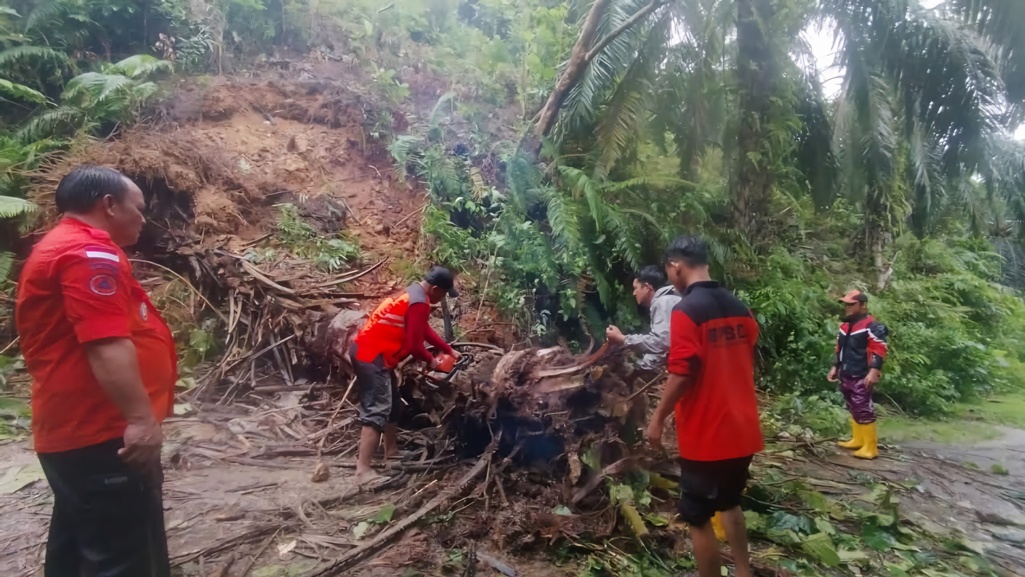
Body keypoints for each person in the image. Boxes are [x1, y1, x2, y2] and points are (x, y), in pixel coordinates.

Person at [16, 165, 176, 577]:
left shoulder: (64, 247)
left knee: (81, 547)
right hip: (103, 432)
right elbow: (105, 343)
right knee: (123, 559)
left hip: (77, 430)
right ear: (108, 204)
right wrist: (141, 419)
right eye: (138, 208)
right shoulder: (88, 254)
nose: (143, 218)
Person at [646, 236, 762, 577]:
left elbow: (683, 372)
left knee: (696, 515)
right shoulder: (740, 308)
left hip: (708, 434)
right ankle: (743, 572)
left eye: (669, 272)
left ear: (675, 266)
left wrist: (656, 418)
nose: (670, 279)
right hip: (743, 430)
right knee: (729, 501)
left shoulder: (687, 311)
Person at [351, 266, 460, 483]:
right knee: (377, 409)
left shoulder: (412, 294)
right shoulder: (419, 301)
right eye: (444, 293)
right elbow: (414, 344)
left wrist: (447, 349)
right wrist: (432, 361)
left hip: (371, 352)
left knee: (392, 405)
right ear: (436, 289)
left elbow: (423, 329)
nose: (444, 297)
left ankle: (391, 454)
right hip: (372, 355)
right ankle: (362, 471)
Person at [828, 290, 888, 460]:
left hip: (862, 373)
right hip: (846, 371)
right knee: (852, 405)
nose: (847, 307)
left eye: (851, 304)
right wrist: (835, 366)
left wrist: (874, 371)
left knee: (863, 406)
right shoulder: (845, 327)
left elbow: (879, 349)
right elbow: (839, 349)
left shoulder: (873, 326)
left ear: (863, 305)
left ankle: (870, 447)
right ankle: (858, 439)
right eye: (846, 304)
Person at [604, 265, 681, 373]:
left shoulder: (663, 302)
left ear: (646, 287)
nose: (634, 293)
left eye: (636, 288)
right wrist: (640, 365)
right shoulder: (669, 300)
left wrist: (623, 339)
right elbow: (663, 349)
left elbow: (662, 343)